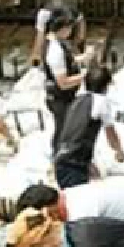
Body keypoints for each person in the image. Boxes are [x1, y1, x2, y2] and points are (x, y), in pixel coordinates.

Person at [53, 66, 124, 189]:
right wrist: (119, 151)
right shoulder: (101, 102)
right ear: (106, 86)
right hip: (74, 164)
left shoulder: (77, 100)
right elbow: (111, 134)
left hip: (63, 158)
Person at [43, 15, 85, 158]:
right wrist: (84, 76)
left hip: (64, 96)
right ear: (62, 29)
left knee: (65, 128)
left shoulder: (58, 43)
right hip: (59, 97)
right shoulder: (55, 50)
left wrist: (84, 58)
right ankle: (58, 159)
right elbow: (63, 82)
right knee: (63, 131)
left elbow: (68, 61)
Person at [33, 0, 85, 66]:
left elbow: (80, 34)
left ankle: (75, 62)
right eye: (65, 29)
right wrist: (36, 58)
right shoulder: (43, 14)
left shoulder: (75, 15)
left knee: (78, 40)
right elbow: (39, 40)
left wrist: (76, 46)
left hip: (75, 18)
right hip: (53, 20)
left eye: (69, 28)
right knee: (47, 43)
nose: (67, 32)